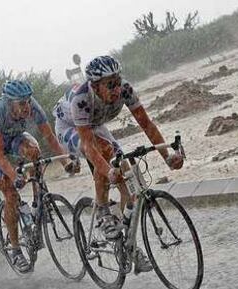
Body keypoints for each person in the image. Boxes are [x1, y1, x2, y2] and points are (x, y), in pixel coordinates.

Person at [53, 55, 184, 274]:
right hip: (69, 127)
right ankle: (103, 212)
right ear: (95, 85)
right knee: (104, 157)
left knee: (125, 172)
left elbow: (147, 124)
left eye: (118, 80)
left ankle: (128, 247)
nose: (116, 88)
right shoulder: (81, 99)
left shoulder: (125, 89)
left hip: (95, 125)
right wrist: (106, 170)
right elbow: (88, 146)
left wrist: (167, 157)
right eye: (110, 84)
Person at [0, 80, 77, 271]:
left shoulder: (33, 107)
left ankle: (36, 202)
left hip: (14, 137)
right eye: (21, 103)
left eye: (28, 101)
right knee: (11, 195)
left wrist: (66, 162)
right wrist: (14, 175)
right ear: (10, 103)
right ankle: (15, 250)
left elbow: (50, 138)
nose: (27, 107)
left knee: (34, 152)